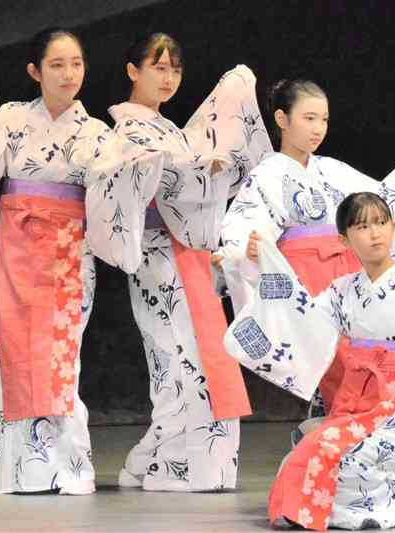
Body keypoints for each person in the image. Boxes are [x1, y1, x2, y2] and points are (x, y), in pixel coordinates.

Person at [0, 28, 165, 494]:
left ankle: (66, 468)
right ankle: (21, 469)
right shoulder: (9, 119)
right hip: (13, 247)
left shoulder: (95, 133)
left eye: (76, 64)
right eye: (57, 65)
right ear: (35, 71)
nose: (69, 74)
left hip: (69, 253)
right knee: (7, 355)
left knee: (59, 359)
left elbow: (114, 193)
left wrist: (139, 163)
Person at [224, 191, 395, 530]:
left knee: (354, 461)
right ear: (344, 239)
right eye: (362, 226)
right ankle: (319, 511)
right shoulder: (344, 291)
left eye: (382, 223)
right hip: (355, 406)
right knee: (299, 460)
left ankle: (364, 511)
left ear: (394, 227)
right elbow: (300, 316)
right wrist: (264, 262)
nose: (375, 234)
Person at [213, 78, 395, 413]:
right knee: (338, 366)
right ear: (282, 119)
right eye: (308, 118)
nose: (318, 128)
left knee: (370, 356)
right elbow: (244, 225)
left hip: (349, 275)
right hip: (308, 281)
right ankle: (334, 442)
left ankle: (336, 441)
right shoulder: (267, 174)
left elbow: (381, 202)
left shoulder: (333, 171)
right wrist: (247, 250)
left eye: (323, 119)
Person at [107, 33, 272, 492]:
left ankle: (157, 460)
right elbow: (158, 181)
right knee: (177, 359)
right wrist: (204, 168)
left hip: (186, 256)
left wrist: (211, 166)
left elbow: (190, 172)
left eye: (175, 69)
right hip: (157, 254)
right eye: (158, 67)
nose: (168, 77)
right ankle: (175, 463)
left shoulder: (168, 130)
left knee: (190, 357)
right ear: (132, 71)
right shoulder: (128, 129)